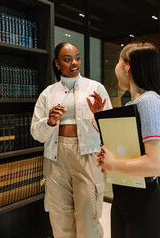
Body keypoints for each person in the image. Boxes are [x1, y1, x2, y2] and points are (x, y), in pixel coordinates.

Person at [30, 42, 112, 238]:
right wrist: (49, 122)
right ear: (57, 64)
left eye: (77, 57)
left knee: (88, 215)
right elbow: (36, 133)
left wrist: (99, 115)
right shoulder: (48, 94)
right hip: (55, 158)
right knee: (60, 218)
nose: (74, 63)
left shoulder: (96, 89)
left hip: (87, 155)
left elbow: (110, 131)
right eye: (67, 59)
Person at [97, 42, 160, 238]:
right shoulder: (133, 103)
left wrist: (113, 164)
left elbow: (156, 165)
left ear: (127, 67)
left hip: (142, 202)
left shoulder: (150, 101)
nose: (116, 67)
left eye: (118, 62)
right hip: (125, 196)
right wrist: (108, 160)